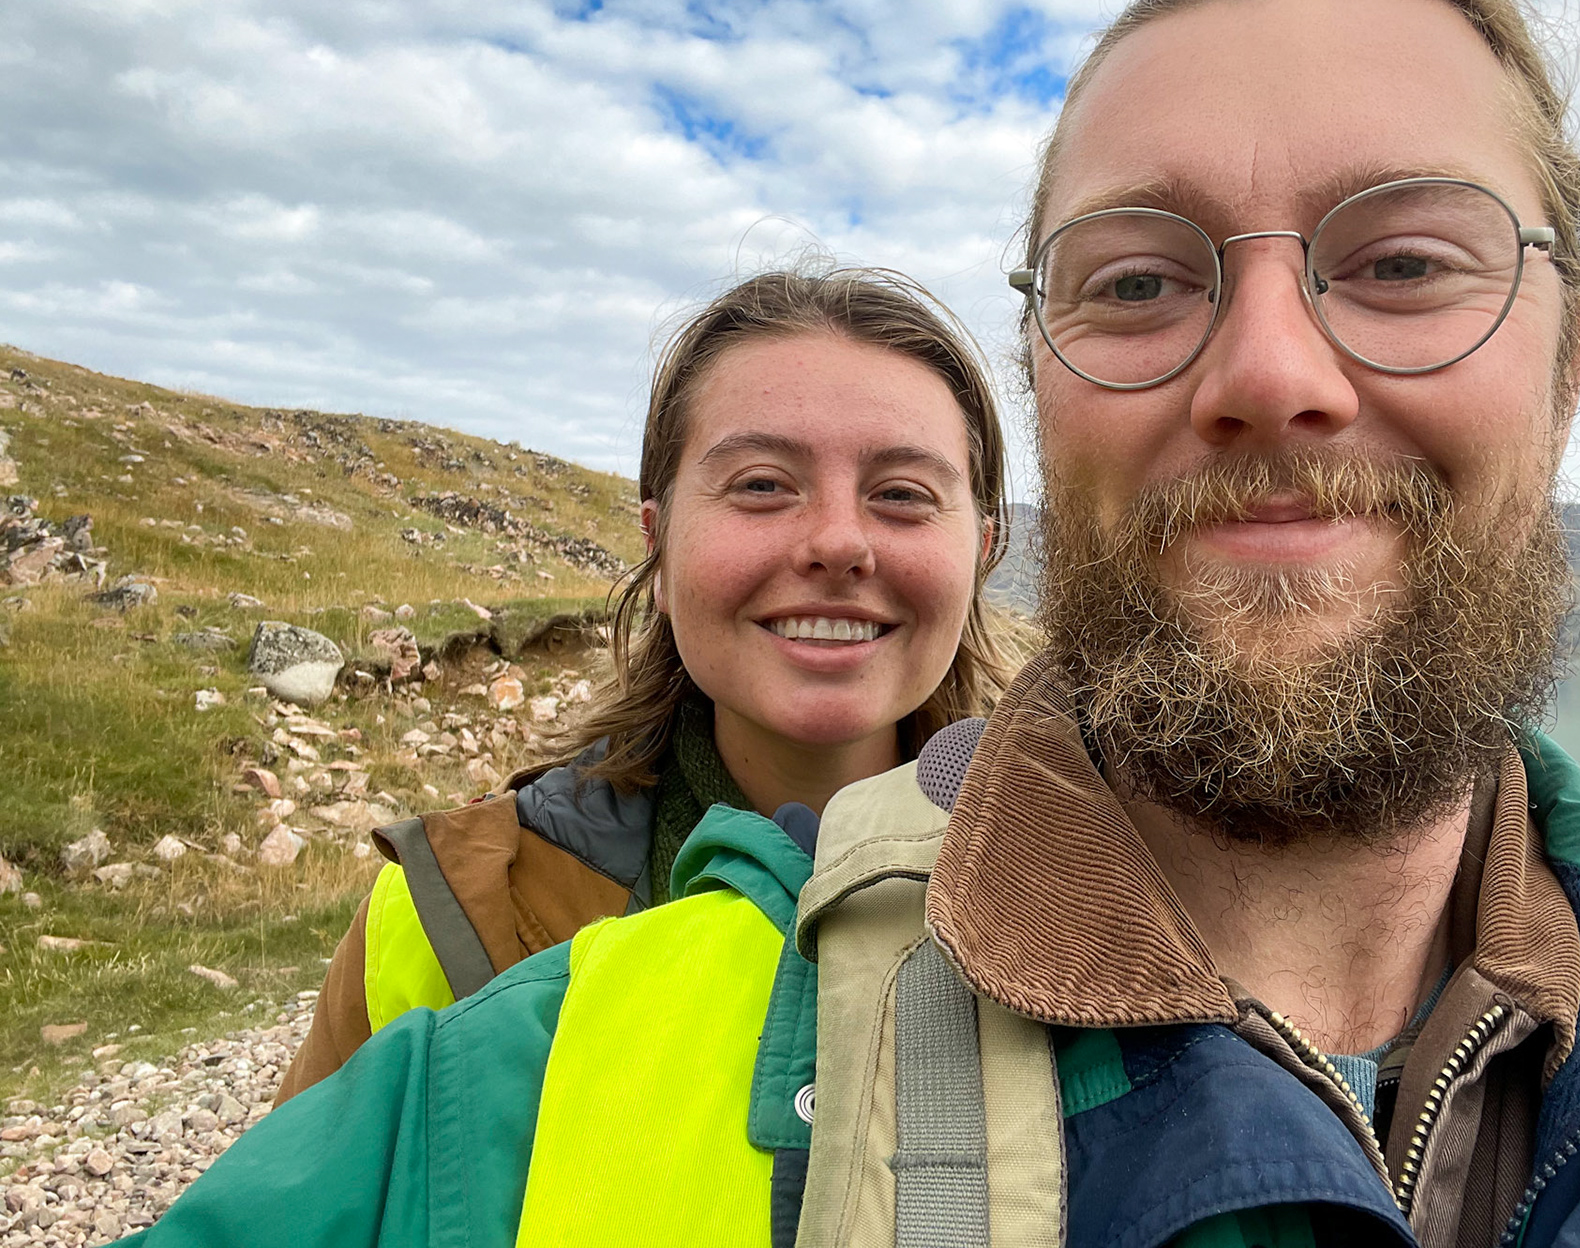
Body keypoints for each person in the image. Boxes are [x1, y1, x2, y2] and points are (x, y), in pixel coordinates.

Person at [125, 0, 1580, 1248]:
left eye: (1408, 258)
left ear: (1572, 360)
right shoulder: (541, 1075)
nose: (1269, 367)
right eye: (1138, 281)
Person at [274, 264, 1021, 1100]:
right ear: (657, 547)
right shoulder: (446, 917)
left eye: (903, 494)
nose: (839, 541)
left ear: (982, 551)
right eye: (763, 486)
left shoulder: (1111, 886)